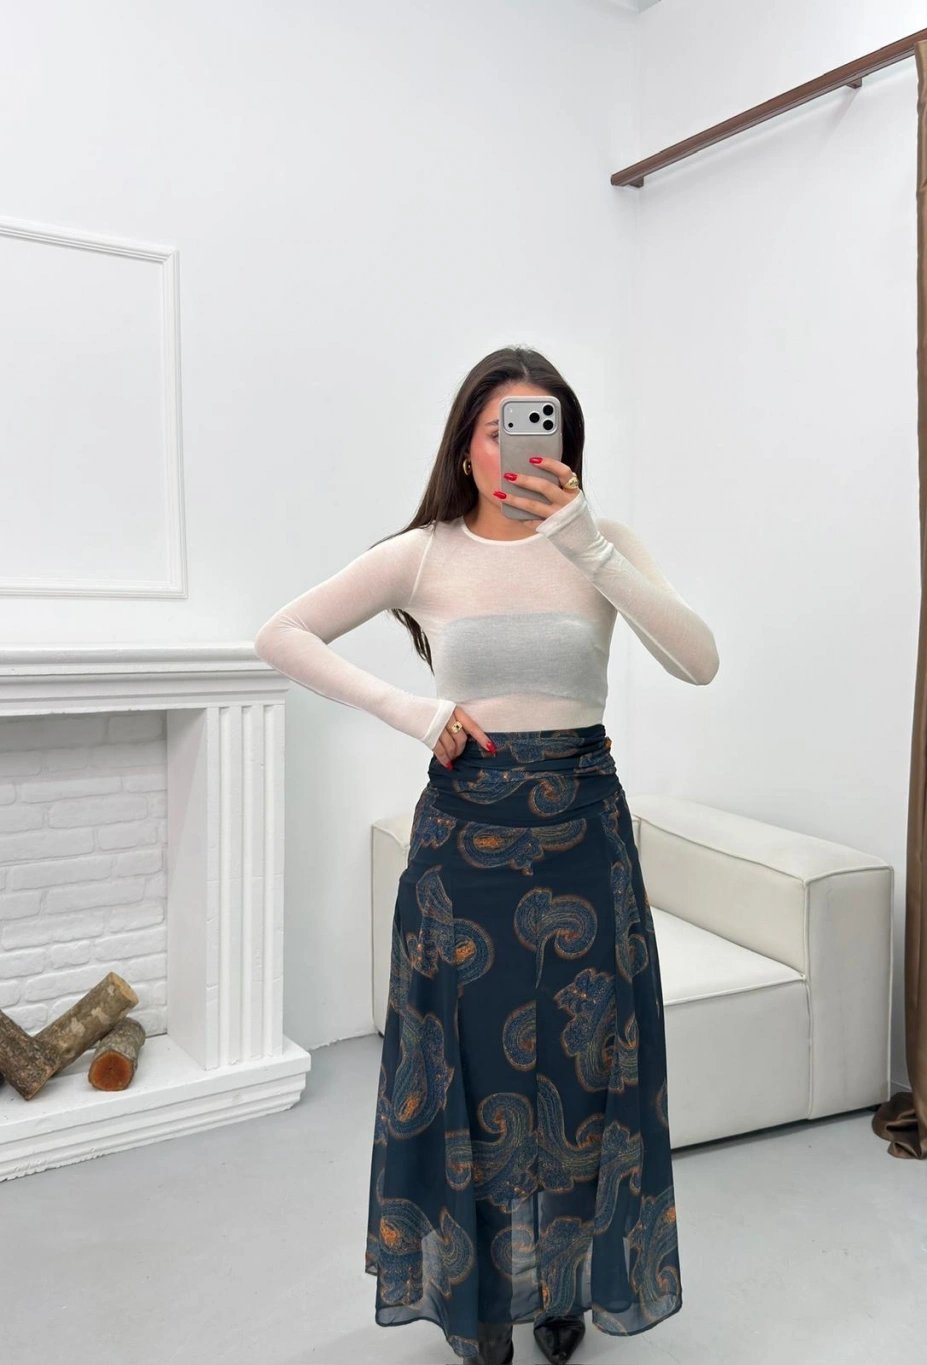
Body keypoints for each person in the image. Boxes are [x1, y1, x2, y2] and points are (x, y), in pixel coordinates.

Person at [253, 346, 720, 1365]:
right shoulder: (425, 554)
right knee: (464, 1075)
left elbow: (699, 661)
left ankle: (564, 1286)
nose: (520, 448)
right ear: (467, 446)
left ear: (566, 446)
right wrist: (414, 712)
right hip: (463, 846)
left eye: (542, 427)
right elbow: (281, 634)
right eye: (501, 428)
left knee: (587, 1072)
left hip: (586, 837)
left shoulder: (602, 542)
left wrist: (587, 544)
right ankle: (481, 1301)